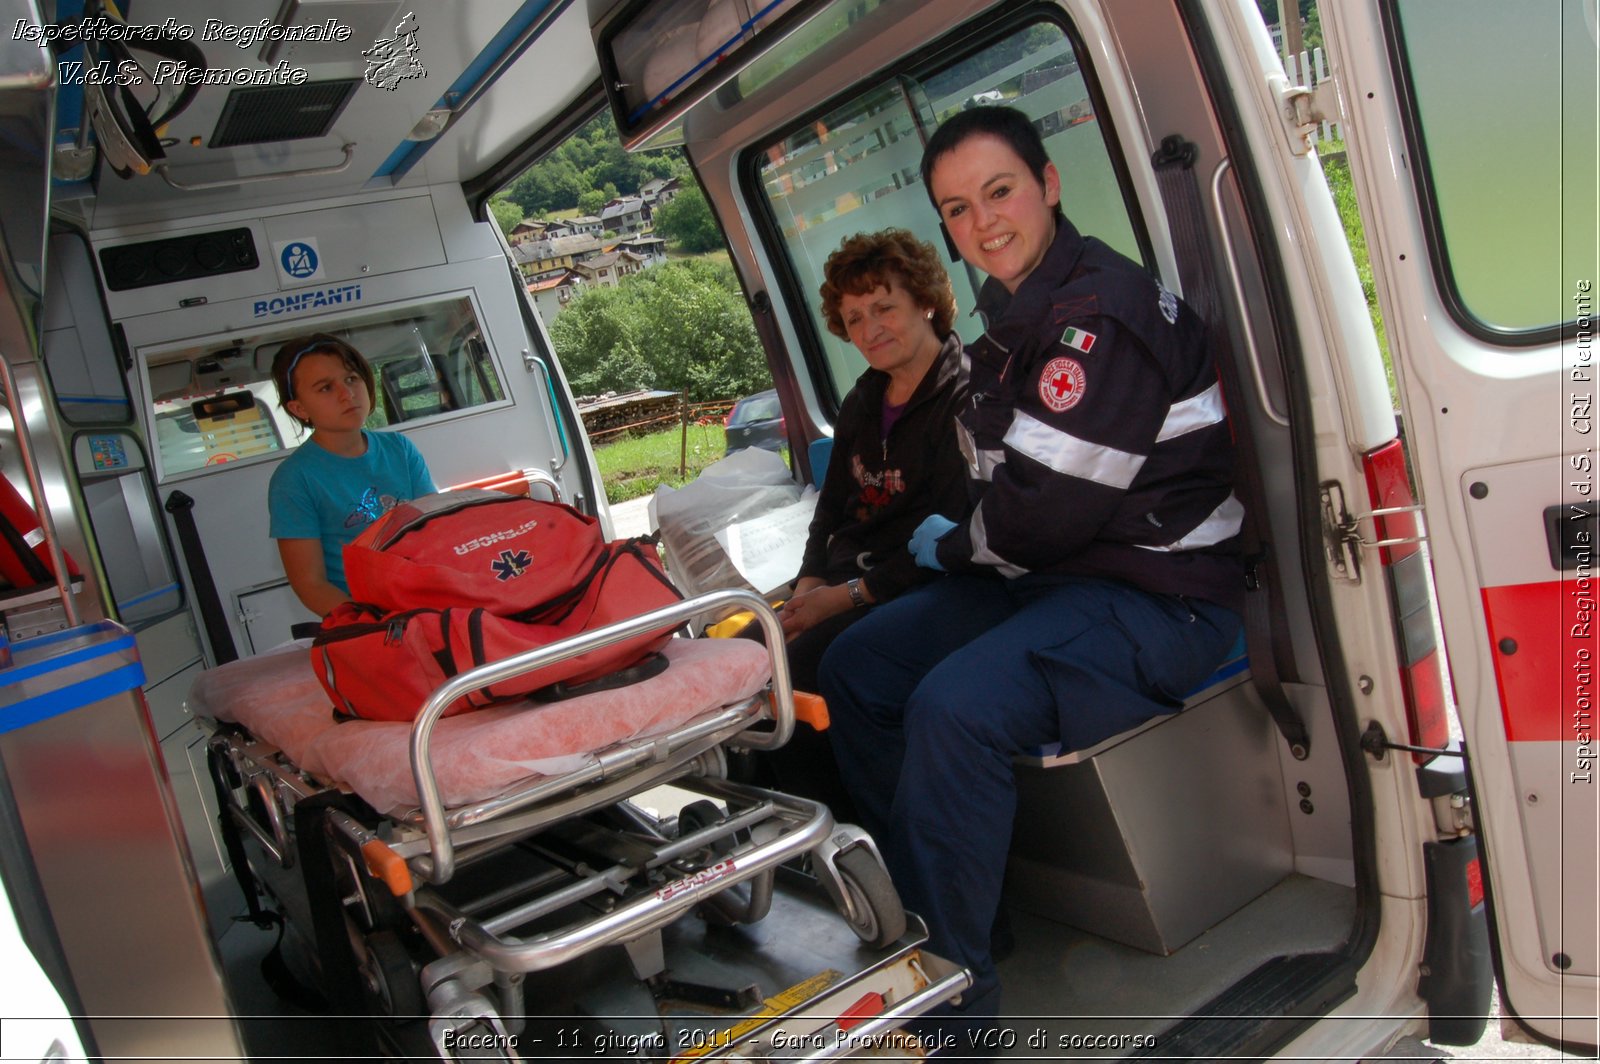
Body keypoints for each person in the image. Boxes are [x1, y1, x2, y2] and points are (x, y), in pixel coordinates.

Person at [817, 107, 1245, 1024]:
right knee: (857, 666)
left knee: (953, 705)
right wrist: (958, 540)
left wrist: (954, 545)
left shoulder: (1098, 319)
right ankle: (947, 919)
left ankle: (956, 1003)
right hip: (1059, 580)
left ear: (1048, 184)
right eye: (958, 208)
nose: (983, 223)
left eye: (999, 191)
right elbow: (1001, 486)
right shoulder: (1018, 317)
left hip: (1160, 596)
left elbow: (1039, 516)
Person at [761, 229, 968, 816]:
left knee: (793, 679)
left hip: (920, 582)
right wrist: (807, 584)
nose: (869, 329)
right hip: (843, 581)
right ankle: (794, 829)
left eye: (884, 307)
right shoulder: (861, 401)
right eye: (854, 319)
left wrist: (844, 598)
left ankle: (853, 838)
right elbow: (829, 510)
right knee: (747, 662)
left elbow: (952, 531)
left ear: (924, 301)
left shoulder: (964, 397)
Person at [267, 333, 437, 617]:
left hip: (432, 601)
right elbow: (310, 584)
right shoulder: (293, 479)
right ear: (299, 408)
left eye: (351, 379)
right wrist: (374, 623)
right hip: (373, 621)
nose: (347, 394)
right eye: (325, 388)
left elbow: (438, 531)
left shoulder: (400, 449)